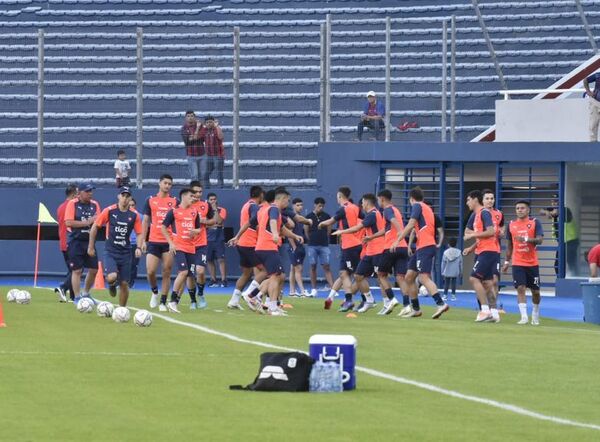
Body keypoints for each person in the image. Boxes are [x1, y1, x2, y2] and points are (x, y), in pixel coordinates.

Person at [396, 187, 449, 319]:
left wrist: (398, 240)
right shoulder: (427, 208)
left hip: (425, 246)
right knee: (408, 277)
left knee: (423, 277)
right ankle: (416, 309)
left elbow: (411, 224)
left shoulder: (417, 206)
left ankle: (440, 303)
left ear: (411, 199)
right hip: (422, 247)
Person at [332, 193, 388, 314]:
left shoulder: (370, 216)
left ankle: (389, 302)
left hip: (371, 250)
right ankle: (367, 300)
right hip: (367, 251)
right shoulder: (369, 216)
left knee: (378, 277)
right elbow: (382, 230)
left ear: (367, 202)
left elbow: (356, 230)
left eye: (362, 202)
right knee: (358, 276)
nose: (361, 205)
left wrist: (342, 231)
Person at [88, 187, 143, 307]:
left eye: (127, 196)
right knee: (112, 277)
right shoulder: (109, 211)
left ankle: (122, 309)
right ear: (118, 196)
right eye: (123, 195)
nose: (125, 198)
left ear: (130, 199)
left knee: (124, 284)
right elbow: (95, 227)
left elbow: (139, 233)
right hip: (111, 251)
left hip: (126, 252)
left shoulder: (134, 215)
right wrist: (91, 246)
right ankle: (111, 284)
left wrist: (139, 247)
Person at [254, 188, 303, 316]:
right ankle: (271, 306)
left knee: (280, 276)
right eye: (287, 200)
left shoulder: (270, 210)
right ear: (281, 199)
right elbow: (273, 222)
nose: (288, 202)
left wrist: (294, 236)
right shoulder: (274, 209)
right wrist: (275, 234)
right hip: (268, 247)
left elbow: (282, 229)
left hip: (264, 247)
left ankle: (258, 297)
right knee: (275, 276)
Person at [318, 186, 363, 312]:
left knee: (354, 275)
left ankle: (361, 299)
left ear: (340, 196)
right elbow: (365, 220)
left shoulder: (343, 209)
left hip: (350, 245)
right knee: (344, 274)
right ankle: (332, 298)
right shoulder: (356, 208)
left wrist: (320, 224)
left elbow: (330, 221)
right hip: (352, 245)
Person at [502, 200, 544, 325]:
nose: (519, 210)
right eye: (517, 208)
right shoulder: (511, 224)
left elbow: (540, 240)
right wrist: (506, 261)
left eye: (522, 208)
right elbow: (509, 245)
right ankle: (524, 317)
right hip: (517, 262)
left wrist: (525, 239)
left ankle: (535, 314)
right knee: (520, 288)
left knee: (535, 291)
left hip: (532, 263)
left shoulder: (535, 222)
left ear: (528, 210)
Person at [161, 188, 202, 314]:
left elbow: (198, 229)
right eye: (191, 196)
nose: (193, 198)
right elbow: (163, 227)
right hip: (179, 246)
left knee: (188, 275)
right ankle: (172, 301)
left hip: (191, 247)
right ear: (183, 196)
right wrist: (171, 243)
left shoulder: (195, 212)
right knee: (183, 272)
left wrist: (195, 231)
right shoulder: (174, 212)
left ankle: (176, 301)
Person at [225, 186, 266, 310]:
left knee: (246, 274)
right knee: (266, 270)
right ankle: (250, 294)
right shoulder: (254, 206)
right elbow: (254, 221)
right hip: (250, 244)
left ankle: (234, 300)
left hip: (242, 244)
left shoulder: (246, 205)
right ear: (260, 195)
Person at [141, 174, 177, 312]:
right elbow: (145, 221)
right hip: (154, 240)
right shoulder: (150, 200)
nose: (167, 186)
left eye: (170, 184)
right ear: (159, 183)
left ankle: (163, 301)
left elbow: (178, 220)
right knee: (150, 271)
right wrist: (143, 240)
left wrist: (176, 239)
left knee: (166, 272)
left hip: (168, 242)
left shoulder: (174, 201)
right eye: (165, 183)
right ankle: (155, 292)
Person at [463, 190, 499, 323]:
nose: (467, 203)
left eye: (468, 200)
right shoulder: (477, 214)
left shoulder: (484, 213)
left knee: (473, 279)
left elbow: (491, 232)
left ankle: (484, 310)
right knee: (487, 283)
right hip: (486, 250)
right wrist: (472, 247)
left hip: (487, 251)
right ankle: (494, 313)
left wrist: (472, 235)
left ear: (474, 200)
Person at [64, 182, 101, 303]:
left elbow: (98, 221)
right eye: (87, 191)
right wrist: (87, 222)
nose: (91, 193)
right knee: (77, 270)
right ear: (79, 193)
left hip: (89, 241)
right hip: (76, 241)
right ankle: (77, 297)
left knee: (94, 269)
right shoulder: (72, 204)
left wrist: (95, 223)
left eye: (91, 191)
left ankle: (86, 293)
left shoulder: (95, 204)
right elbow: (68, 222)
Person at [376, 189, 409, 315]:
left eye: (379, 199)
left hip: (391, 247)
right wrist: (372, 237)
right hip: (403, 247)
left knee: (381, 274)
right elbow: (387, 229)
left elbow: (394, 222)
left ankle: (392, 299)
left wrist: (400, 232)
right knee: (401, 277)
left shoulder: (387, 210)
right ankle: (407, 305)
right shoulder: (396, 210)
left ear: (382, 199)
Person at [188, 181, 220, 310]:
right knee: (190, 274)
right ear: (190, 192)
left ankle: (200, 294)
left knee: (200, 272)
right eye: (195, 192)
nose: (198, 194)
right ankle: (193, 300)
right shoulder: (184, 205)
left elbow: (214, 221)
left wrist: (204, 221)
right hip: (187, 244)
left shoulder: (205, 205)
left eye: (200, 192)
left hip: (201, 243)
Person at [540, 195, 578, 276]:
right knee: (558, 265)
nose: (554, 203)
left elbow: (555, 213)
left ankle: (574, 279)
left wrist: (550, 213)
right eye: (552, 201)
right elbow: (541, 211)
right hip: (562, 242)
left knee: (570, 262)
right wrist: (547, 212)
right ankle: (561, 280)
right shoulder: (554, 209)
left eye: (556, 201)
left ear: (561, 201)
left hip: (570, 241)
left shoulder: (565, 210)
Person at [305, 197, 334, 299]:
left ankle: (333, 289)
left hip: (324, 245)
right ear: (315, 205)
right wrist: (311, 239)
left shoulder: (327, 216)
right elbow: (306, 231)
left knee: (326, 266)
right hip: (312, 245)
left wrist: (324, 239)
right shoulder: (308, 216)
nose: (320, 208)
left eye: (322, 206)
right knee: (313, 266)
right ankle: (314, 290)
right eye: (319, 206)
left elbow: (329, 231)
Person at [55, 184, 78, 302]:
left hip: (63, 243)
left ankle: (73, 296)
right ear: (74, 194)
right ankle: (63, 287)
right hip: (71, 242)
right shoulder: (72, 206)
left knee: (72, 270)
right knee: (76, 270)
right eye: (78, 193)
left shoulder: (60, 207)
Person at [287, 198, 309, 297]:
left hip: (299, 246)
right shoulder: (291, 218)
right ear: (293, 206)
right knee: (298, 269)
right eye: (298, 205)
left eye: (301, 205)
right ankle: (303, 291)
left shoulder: (300, 218)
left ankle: (292, 291)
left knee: (293, 269)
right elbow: (289, 233)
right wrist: (294, 246)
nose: (300, 207)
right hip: (294, 247)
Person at [206, 192, 228, 287]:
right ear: (207, 200)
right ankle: (213, 280)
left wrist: (215, 210)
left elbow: (219, 221)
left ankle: (223, 280)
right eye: (211, 199)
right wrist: (211, 224)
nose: (213, 201)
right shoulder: (205, 210)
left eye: (214, 199)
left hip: (219, 239)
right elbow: (204, 224)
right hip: (207, 239)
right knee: (209, 260)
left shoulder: (222, 210)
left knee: (221, 259)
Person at [201, 115, 225, 188]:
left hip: (218, 156)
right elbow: (198, 138)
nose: (209, 123)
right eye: (207, 122)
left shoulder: (216, 129)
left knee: (219, 174)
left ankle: (220, 189)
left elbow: (221, 137)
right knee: (205, 174)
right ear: (205, 123)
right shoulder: (204, 130)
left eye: (210, 122)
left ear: (213, 122)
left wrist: (217, 126)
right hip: (209, 156)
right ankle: (207, 188)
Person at [181, 110, 205, 182]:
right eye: (188, 116)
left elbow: (202, 137)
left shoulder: (200, 126)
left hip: (202, 155)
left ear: (195, 117)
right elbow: (187, 142)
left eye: (192, 116)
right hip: (191, 156)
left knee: (202, 176)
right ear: (185, 118)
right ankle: (194, 192)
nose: (190, 118)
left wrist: (193, 137)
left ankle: (201, 192)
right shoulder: (184, 128)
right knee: (194, 176)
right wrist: (197, 131)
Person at [583, 72, 600, 141]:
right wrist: (588, 92)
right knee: (593, 125)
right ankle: (593, 144)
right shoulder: (598, 75)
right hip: (595, 102)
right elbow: (585, 80)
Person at [128, 198, 141, 288]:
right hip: (123, 243)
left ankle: (131, 282)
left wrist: (141, 243)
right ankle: (119, 282)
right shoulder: (122, 214)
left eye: (133, 205)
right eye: (130, 205)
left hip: (135, 244)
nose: (131, 207)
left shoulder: (140, 216)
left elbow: (143, 231)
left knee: (133, 264)